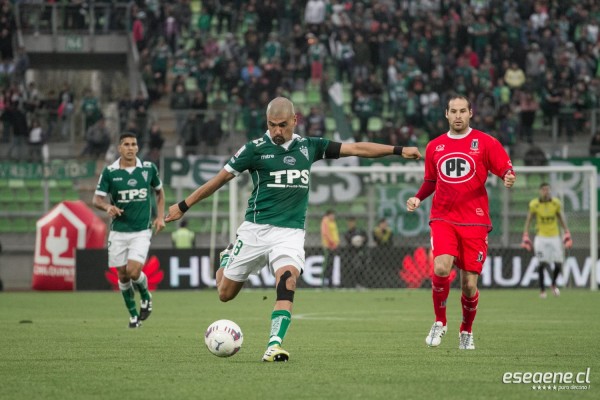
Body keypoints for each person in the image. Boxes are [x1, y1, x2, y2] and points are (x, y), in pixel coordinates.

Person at [165, 97, 422, 362]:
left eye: (283, 125)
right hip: (255, 230)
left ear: (295, 121)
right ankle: (228, 257)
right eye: (272, 125)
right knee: (224, 293)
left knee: (288, 281)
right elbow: (219, 180)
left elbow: (356, 148)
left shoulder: (309, 147)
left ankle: (273, 344)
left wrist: (398, 149)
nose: (277, 131)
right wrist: (183, 205)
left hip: (290, 233)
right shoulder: (253, 149)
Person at [406, 95, 516, 350]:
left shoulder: (486, 142)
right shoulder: (435, 146)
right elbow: (431, 181)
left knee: (469, 285)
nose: (458, 115)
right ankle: (439, 321)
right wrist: (418, 198)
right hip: (443, 218)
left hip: (475, 221)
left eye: (462, 111)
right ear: (446, 114)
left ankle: (466, 330)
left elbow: (505, 169)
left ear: (470, 113)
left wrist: (508, 177)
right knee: (442, 268)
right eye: (453, 111)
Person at [93, 133, 165, 328]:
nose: (130, 147)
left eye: (134, 144)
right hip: (118, 231)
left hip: (141, 230)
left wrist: (159, 217)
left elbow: (159, 192)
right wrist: (108, 207)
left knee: (134, 272)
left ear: (138, 147)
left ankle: (146, 295)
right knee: (123, 275)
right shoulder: (110, 172)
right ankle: (133, 315)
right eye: (126, 144)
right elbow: (97, 199)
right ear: (119, 148)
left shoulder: (148, 169)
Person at [521, 183, 572, 299]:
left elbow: (560, 217)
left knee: (558, 263)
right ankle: (542, 290)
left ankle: (553, 284)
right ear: (540, 191)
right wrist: (525, 234)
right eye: (544, 190)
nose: (546, 192)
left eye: (548, 190)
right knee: (542, 263)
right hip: (541, 237)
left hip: (554, 236)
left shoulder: (556, 203)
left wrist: (567, 232)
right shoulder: (534, 204)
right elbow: (529, 219)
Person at [344, 217, 368, 289]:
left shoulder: (361, 231)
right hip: (351, 253)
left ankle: (361, 284)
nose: (350, 224)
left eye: (352, 222)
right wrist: (355, 243)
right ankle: (353, 284)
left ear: (354, 223)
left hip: (361, 252)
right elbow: (349, 243)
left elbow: (366, 239)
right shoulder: (347, 233)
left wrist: (362, 240)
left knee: (361, 268)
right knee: (354, 268)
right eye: (349, 223)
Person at [320, 209, 339, 288]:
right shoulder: (325, 221)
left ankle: (330, 282)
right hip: (328, 246)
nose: (333, 216)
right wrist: (332, 242)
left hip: (333, 246)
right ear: (328, 215)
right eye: (332, 215)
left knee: (331, 265)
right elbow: (326, 233)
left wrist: (336, 243)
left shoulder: (332, 222)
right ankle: (323, 282)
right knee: (327, 264)